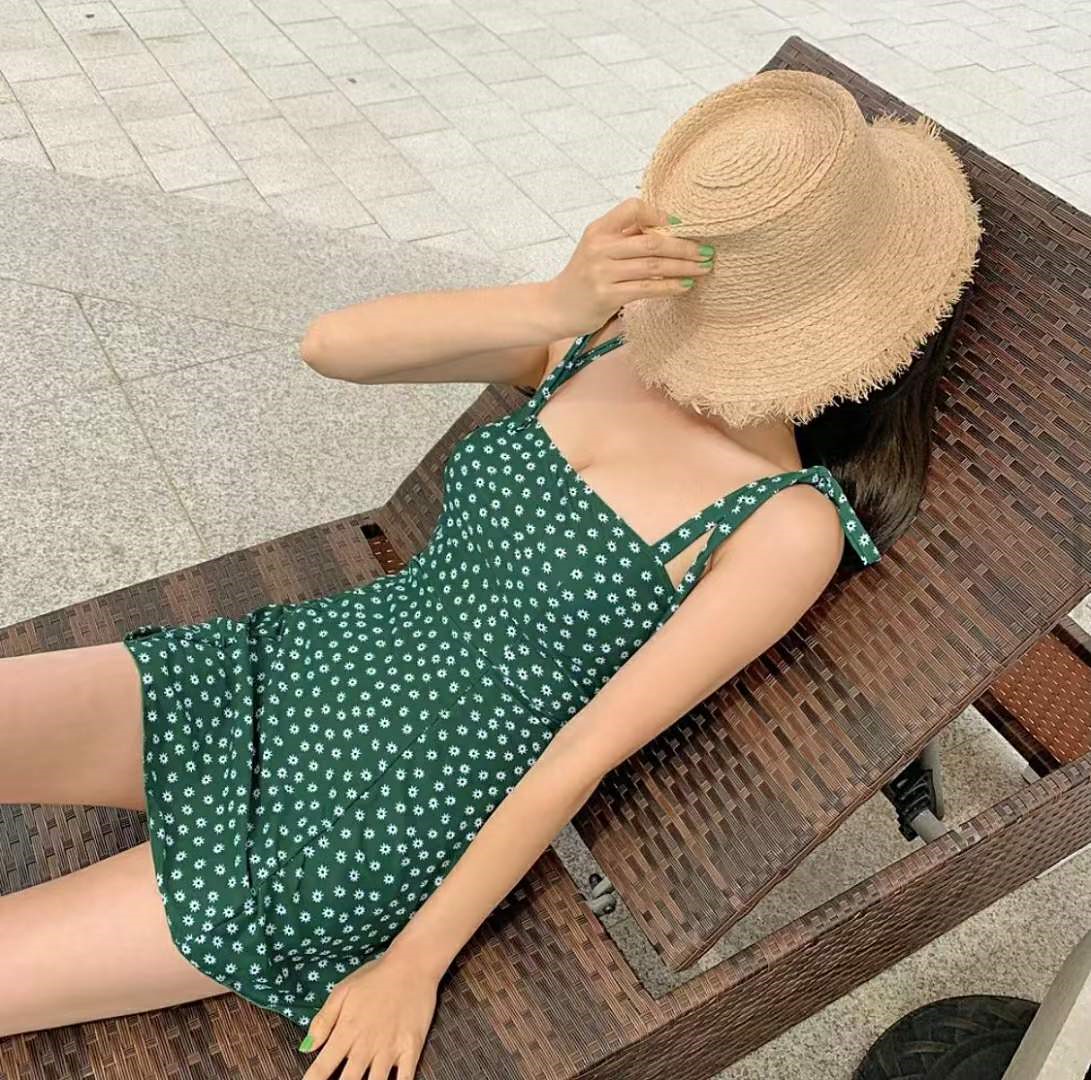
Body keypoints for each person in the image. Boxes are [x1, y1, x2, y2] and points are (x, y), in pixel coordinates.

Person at [0, 69, 981, 1080]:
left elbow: (579, 750)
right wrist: (553, 299)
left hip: (374, 814)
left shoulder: (780, 524)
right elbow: (331, 347)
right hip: (296, 668)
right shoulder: (601, 343)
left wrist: (410, 963)